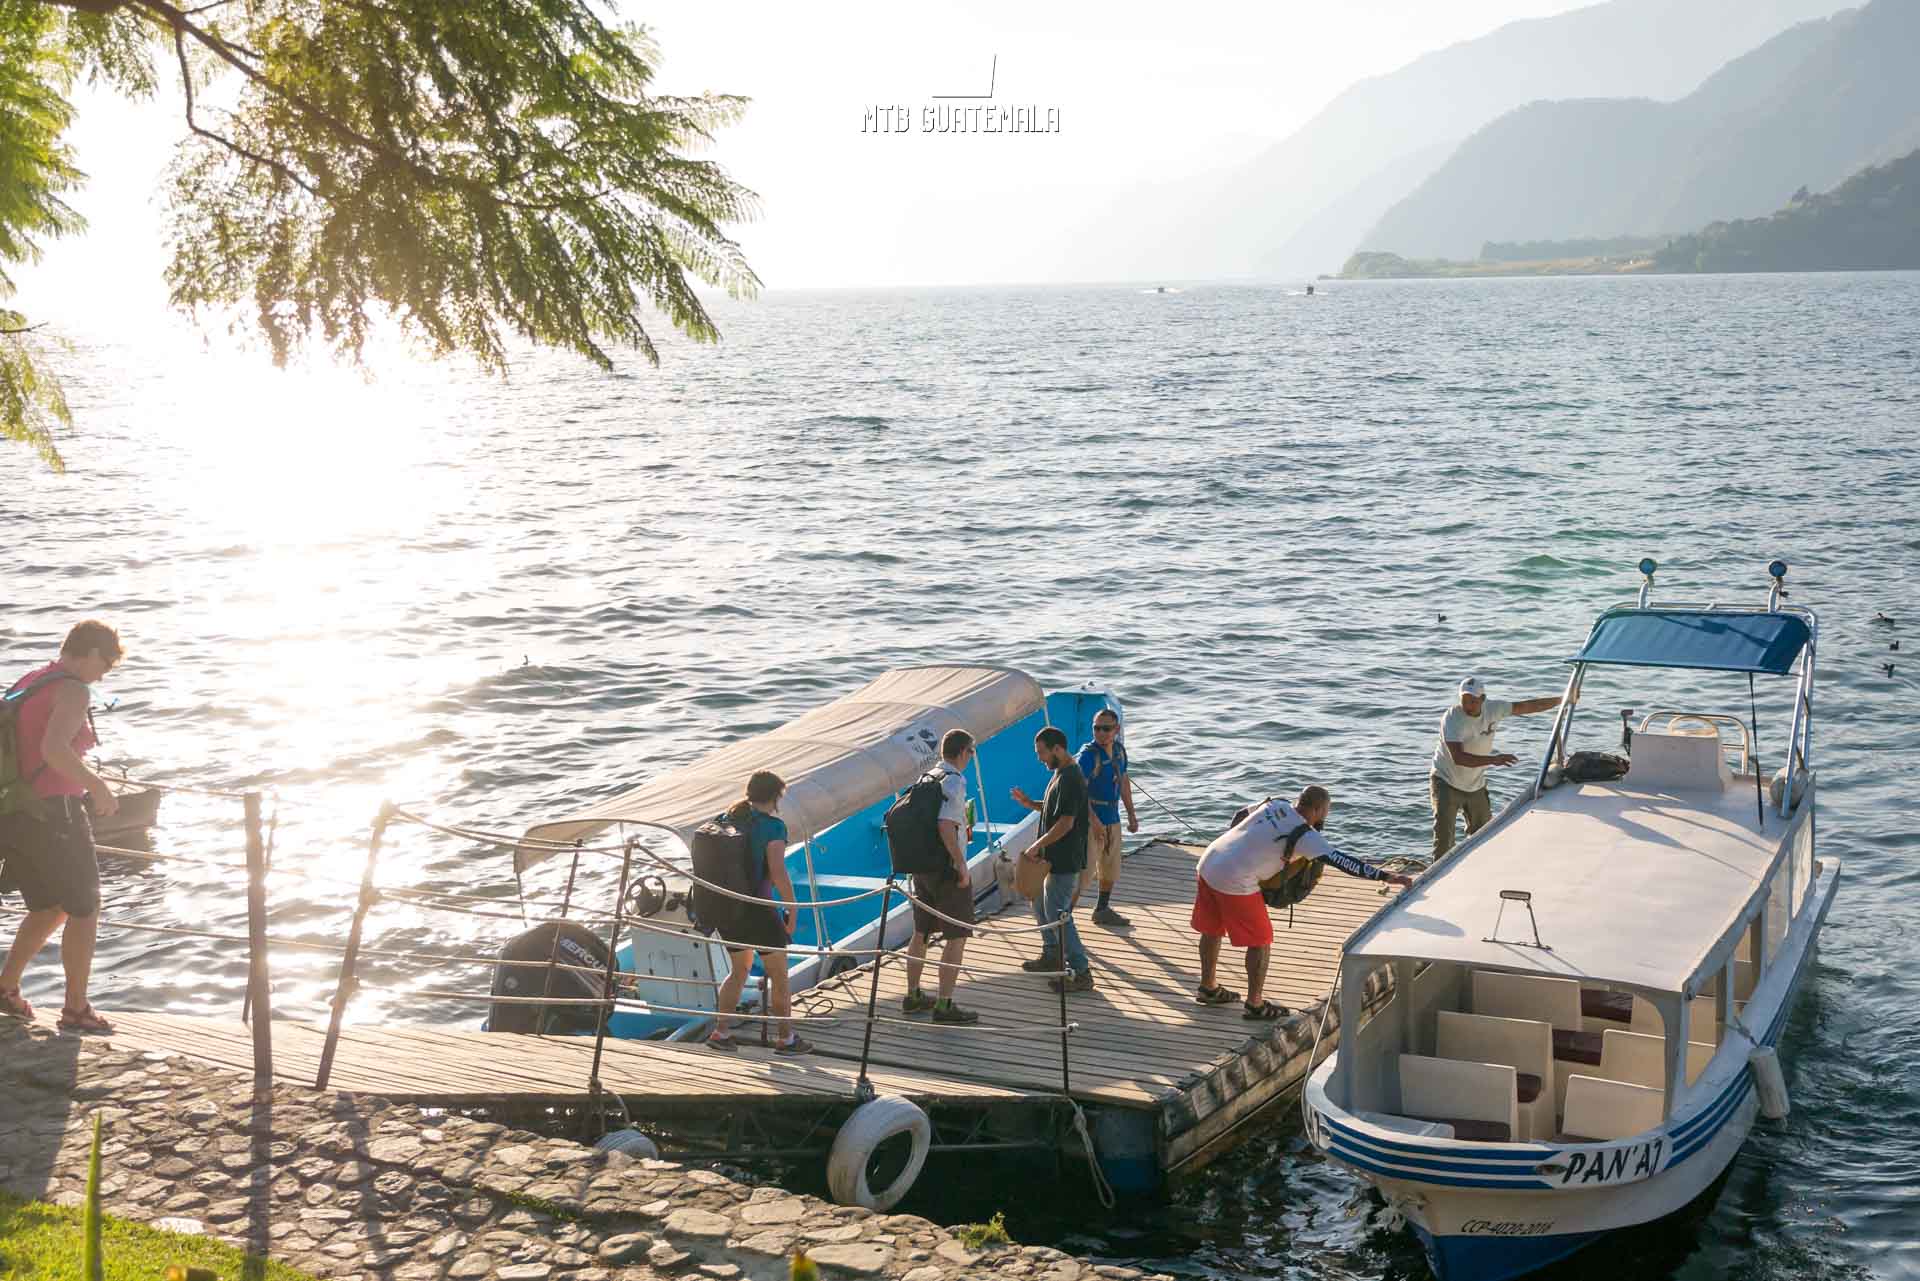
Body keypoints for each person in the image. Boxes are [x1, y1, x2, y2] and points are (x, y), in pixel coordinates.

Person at [1192, 785, 1412, 1021]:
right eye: (1326, 812)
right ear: (1318, 810)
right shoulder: (1306, 837)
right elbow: (1342, 861)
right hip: (1236, 880)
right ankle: (1255, 1005)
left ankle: (1208, 987)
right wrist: (1386, 876)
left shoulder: (1276, 804)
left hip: (1210, 860)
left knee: (1212, 928)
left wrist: (1244, 846)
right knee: (1260, 940)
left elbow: (1240, 815)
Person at [0, 620, 124, 1033]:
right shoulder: (72, 688)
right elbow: (54, 750)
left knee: (49, 906)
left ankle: (5, 988)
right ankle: (76, 1008)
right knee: (85, 908)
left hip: (14, 811)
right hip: (56, 812)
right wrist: (99, 786)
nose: (104, 674)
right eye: (105, 664)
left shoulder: (32, 679)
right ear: (90, 653)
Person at [706, 770, 811, 1055]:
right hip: (759, 911)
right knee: (779, 976)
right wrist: (793, 908)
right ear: (776, 796)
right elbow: (777, 873)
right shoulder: (773, 827)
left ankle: (721, 1032)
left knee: (738, 971)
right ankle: (787, 1039)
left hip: (728, 910)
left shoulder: (724, 819)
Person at [1430, 676, 1563, 858]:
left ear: (1483, 699)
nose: (1468, 705)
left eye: (1473, 701)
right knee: (1444, 839)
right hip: (1446, 780)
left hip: (1475, 783)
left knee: (1484, 835)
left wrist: (1561, 700)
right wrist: (1494, 760)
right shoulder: (1453, 717)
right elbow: (1459, 758)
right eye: (1464, 700)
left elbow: (1525, 707)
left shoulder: (1494, 709)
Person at [901, 729, 981, 1024]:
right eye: (971, 752)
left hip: (921, 866)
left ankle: (913, 995)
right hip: (944, 869)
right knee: (957, 936)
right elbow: (946, 825)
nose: (972, 757)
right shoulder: (955, 781)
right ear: (962, 752)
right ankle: (945, 1006)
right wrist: (961, 864)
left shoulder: (928, 776)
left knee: (920, 932)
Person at [1010, 727, 1093, 993]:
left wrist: (1037, 845)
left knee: (1059, 914)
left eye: (1042, 753)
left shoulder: (1071, 778)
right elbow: (1055, 809)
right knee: (1040, 905)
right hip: (1051, 858)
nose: (1040, 758)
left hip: (1064, 859)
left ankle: (1081, 970)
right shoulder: (1060, 773)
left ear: (1058, 748)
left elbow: (1066, 822)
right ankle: (1051, 953)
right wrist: (1031, 804)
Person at [1076, 709, 1139, 929]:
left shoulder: (1119, 752)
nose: (1100, 733)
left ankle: (1102, 909)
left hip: (1112, 816)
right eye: (1096, 728)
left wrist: (1131, 813)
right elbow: (1078, 791)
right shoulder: (1087, 756)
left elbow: (1123, 781)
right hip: (1091, 820)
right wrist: (1093, 820)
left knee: (1110, 867)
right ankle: (1064, 917)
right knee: (1083, 873)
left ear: (1116, 730)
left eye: (1106, 728)